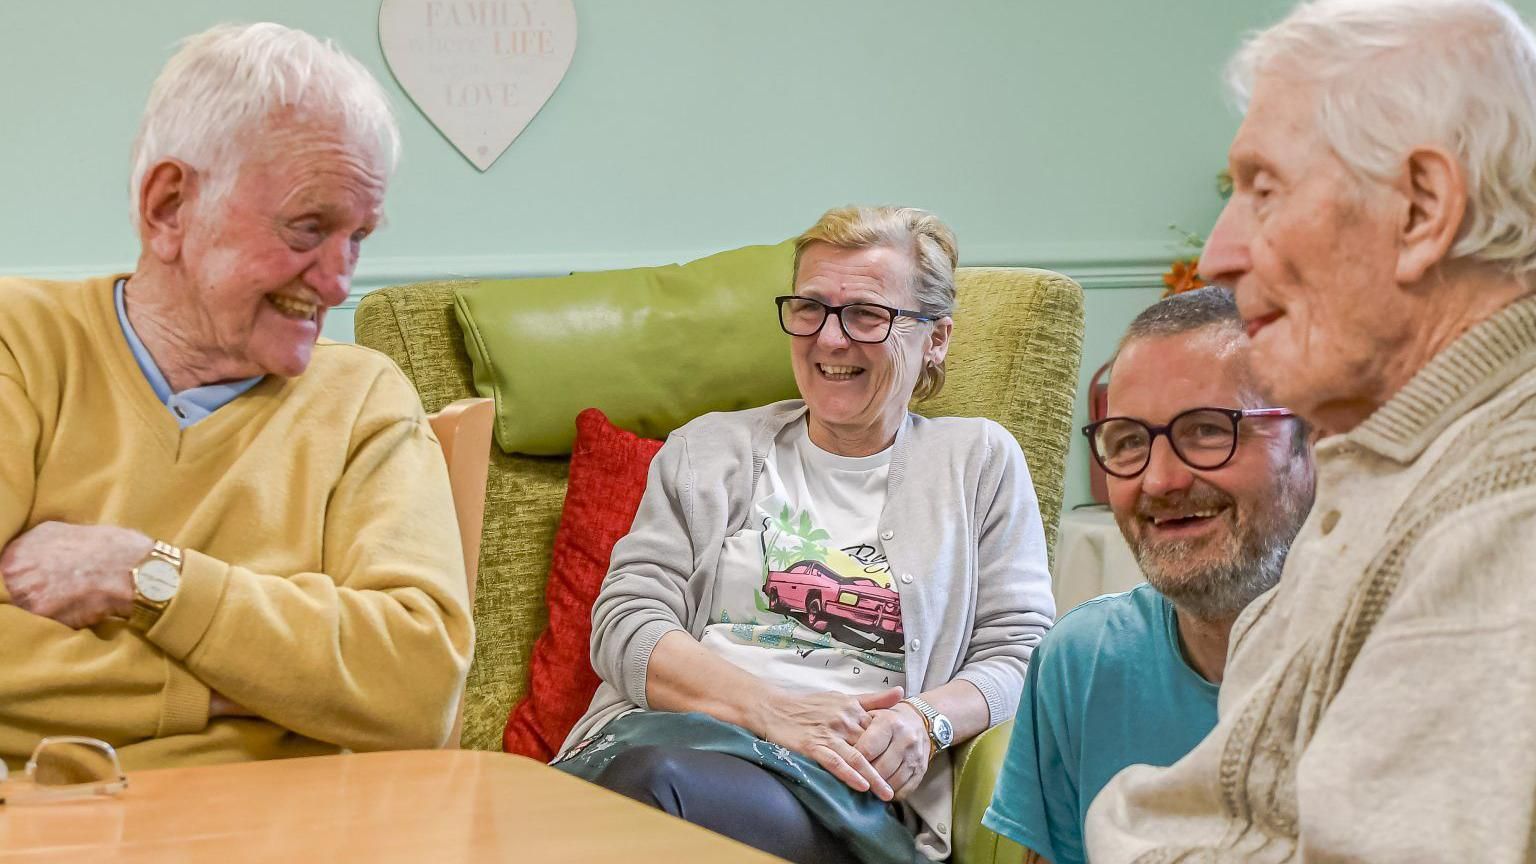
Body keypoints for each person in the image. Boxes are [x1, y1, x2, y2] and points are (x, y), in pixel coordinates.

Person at [1086, 0, 1536, 859]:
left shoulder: (1500, 522)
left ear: (1422, 211)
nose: (1219, 253)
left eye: (1264, 189)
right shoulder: (1392, 467)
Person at [0, 23, 472, 770]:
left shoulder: (364, 400)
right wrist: (259, 681)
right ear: (169, 208)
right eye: (308, 227)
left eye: (358, 237)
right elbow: (366, 689)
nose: (340, 280)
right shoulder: (18, 342)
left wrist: (145, 576)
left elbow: (416, 685)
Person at [554, 206, 1055, 864]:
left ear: (935, 338)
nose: (830, 339)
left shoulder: (978, 462)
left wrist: (924, 721)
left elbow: (1022, 652)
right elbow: (624, 624)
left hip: (842, 796)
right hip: (669, 746)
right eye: (811, 307)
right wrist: (775, 711)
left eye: (867, 315)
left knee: (651, 791)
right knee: (644, 784)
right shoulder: (706, 451)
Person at [982, 287, 1315, 864]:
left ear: (1315, 440)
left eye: (1210, 429)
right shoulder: (1082, 663)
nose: (1160, 480)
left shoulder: (1408, 661)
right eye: (1130, 442)